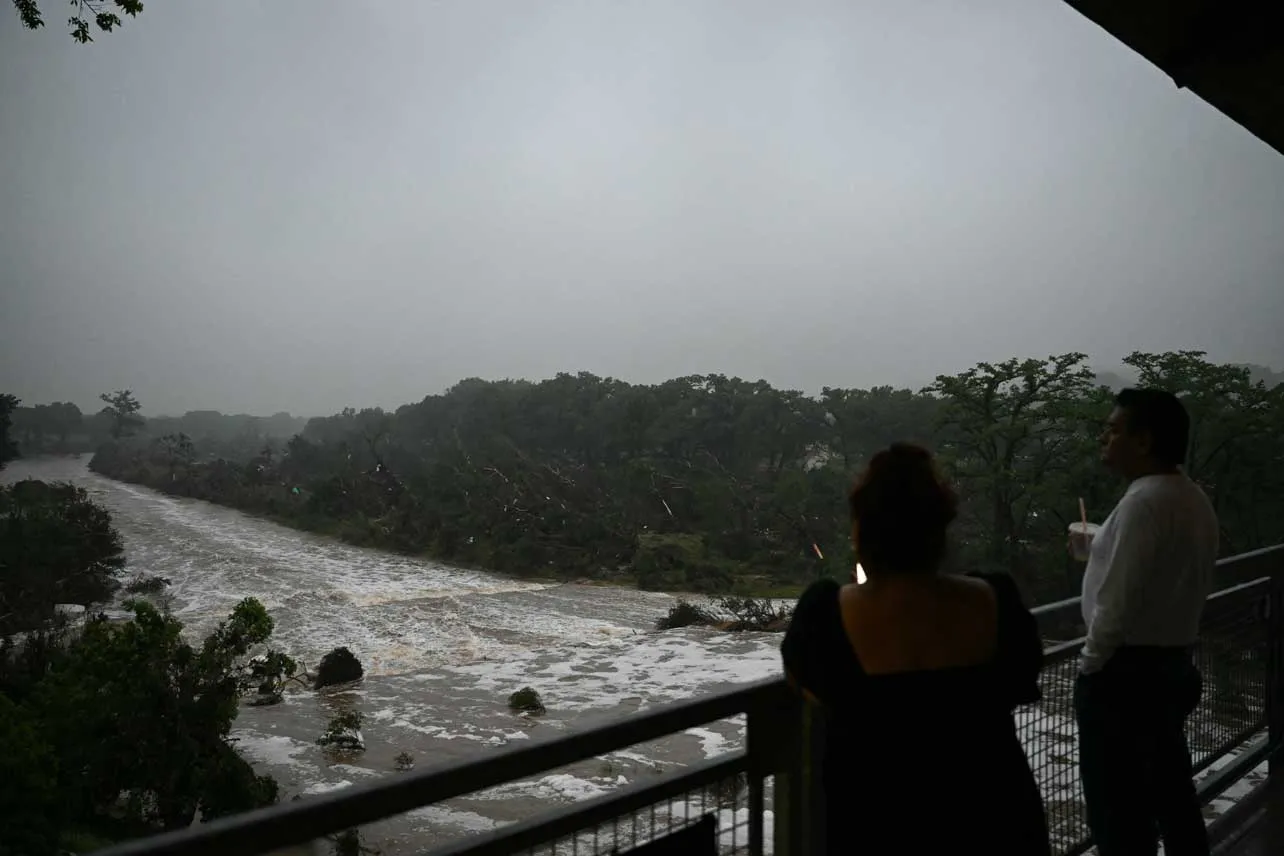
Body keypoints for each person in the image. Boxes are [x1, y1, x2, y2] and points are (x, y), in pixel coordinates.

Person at [780, 443, 1050, 856]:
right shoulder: (995, 600)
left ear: (860, 529)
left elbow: (808, 684)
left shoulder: (825, 614)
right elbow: (1022, 678)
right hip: (998, 822)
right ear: (940, 528)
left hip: (875, 825)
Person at [1075, 388, 1218, 856]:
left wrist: (1090, 663)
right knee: (1172, 798)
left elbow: (1118, 601)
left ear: (1144, 441)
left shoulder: (1143, 502)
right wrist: (1100, 546)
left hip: (1125, 677)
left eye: (1115, 429)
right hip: (1169, 665)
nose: (1105, 437)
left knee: (1119, 812)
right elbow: (1159, 571)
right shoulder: (1188, 495)